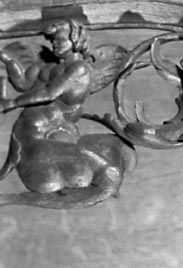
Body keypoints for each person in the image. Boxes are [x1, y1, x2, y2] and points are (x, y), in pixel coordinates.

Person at [0, 19, 136, 208]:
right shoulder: (47, 67)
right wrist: (7, 60)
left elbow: (50, 93)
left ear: (76, 40)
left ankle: (100, 174)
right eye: (53, 40)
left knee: (62, 168)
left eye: (60, 39)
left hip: (57, 129)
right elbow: (23, 84)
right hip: (32, 129)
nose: (55, 44)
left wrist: (12, 103)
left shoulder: (79, 68)